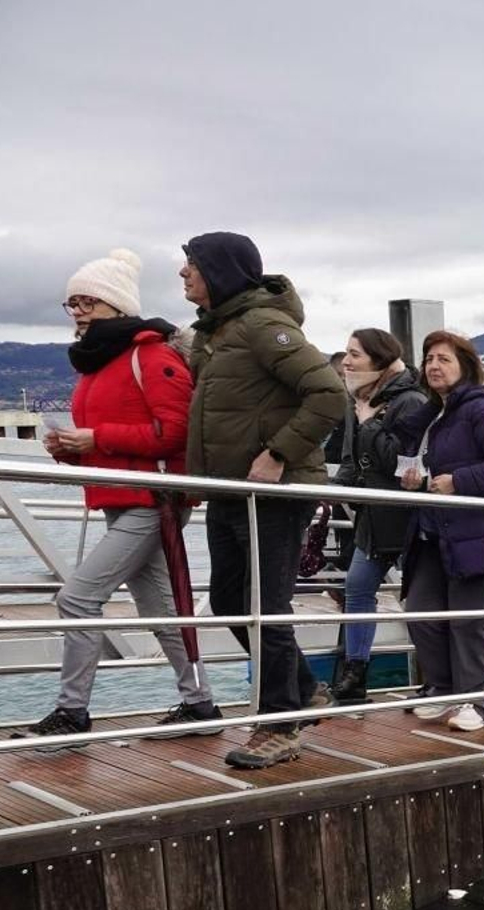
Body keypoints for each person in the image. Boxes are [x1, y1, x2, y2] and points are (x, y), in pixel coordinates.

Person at [12, 250, 217, 744]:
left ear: (117, 305)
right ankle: (200, 703)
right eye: (72, 302)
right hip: (123, 499)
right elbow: (111, 439)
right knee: (161, 610)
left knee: (78, 597)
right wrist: (71, 451)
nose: (79, 310)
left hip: (152, 501)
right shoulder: (98, 365)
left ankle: (72, 713)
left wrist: (94, 438)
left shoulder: (153, 356)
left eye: (89, 301)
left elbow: (176, 432)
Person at [180, 232, 346, 769]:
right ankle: (303, 688)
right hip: (231, 492)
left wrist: (279, 453)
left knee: (265, 608)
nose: (184, 275)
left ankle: (280, 725)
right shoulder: (218, 333)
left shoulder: (262, 326)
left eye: (192, 266)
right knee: (230, 601)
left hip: (271, 494)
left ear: (220, 272)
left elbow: (328, 392)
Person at [394, 332, 484, 730]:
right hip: (433, 531)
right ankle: (443, 689)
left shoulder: (482, 409)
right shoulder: (435, 413)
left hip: (475, 528)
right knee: (420, 611)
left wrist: (458, 481)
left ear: (465, 366)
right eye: (429, 358)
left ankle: (478, 700)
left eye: (444, 359)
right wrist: (416, 481)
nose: (434, 366)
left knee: (469, 619)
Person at [327, 328, 423, 704]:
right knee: (357, 589)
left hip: (407, 519)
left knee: (418, 600)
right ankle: (355, 677)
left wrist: (369, 422)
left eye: (355, 355)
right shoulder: (360, 398)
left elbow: (401, 463)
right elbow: (352, 461)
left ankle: (436, 677)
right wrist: (326, 496)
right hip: (372, 519)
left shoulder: (410, 401)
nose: (346, 361)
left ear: (379, 361)